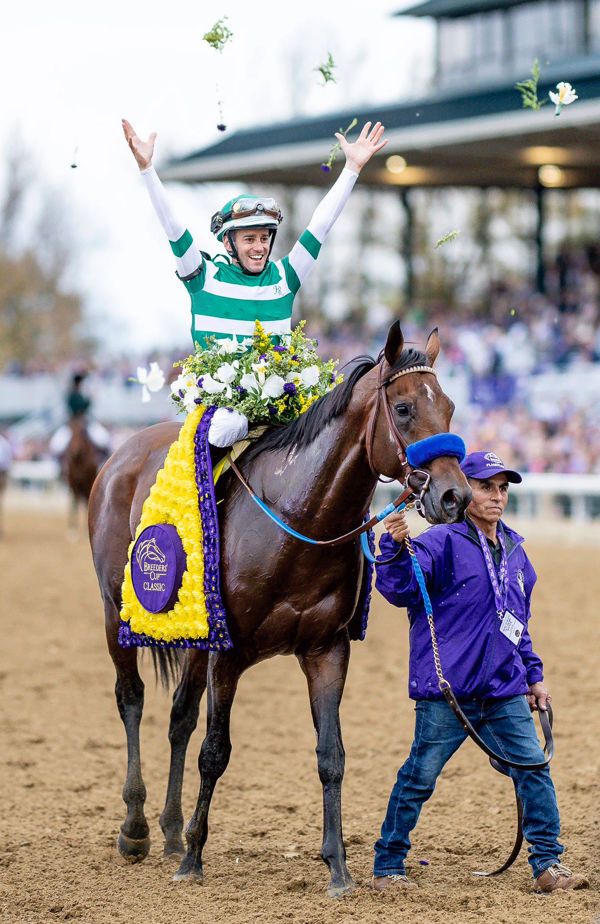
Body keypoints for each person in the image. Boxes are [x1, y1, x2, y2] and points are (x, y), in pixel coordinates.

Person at [371, 450, 588, 895]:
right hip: (447, 691)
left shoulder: (516, 552)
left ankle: (548, 864)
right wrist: (392, 547)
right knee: (419, 778)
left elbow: (518, 624)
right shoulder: (439, 541)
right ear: (465, 489)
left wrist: (534, 677)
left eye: (503, 488)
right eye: (487, 486)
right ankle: (388, 865)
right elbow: (401, 591)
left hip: (506, 689)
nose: (497, 496)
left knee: (534, 768)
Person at [122, 118, 387, 446]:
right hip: (220, 413)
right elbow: (173, 227)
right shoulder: (203, 276)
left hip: (282, 406)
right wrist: (148, 169)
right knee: (229, 427)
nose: (260, 247)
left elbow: (321, 225)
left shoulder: (285, 277)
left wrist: (351, 170)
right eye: (249, 238)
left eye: (264, 237)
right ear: (228, 242)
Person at [49, 372, 111, 459]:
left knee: (103, 439)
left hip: (86, 423)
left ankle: (103, 463)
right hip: (73, 424)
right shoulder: (72, 395)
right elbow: (80, 407)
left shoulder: (82, 394)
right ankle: (59, 466)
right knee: (57, 445)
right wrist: (90, 399)